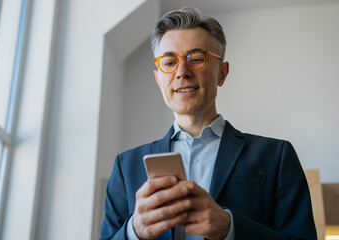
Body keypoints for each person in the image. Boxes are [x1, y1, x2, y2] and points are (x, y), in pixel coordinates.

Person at [99, 6, 317, 240]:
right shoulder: (126, 167)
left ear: (222, 73)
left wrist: (230, 227)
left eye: (196, 59)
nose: (182, 72)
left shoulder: (277, 156)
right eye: (170, 62)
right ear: (158, 79)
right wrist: (134, 231)